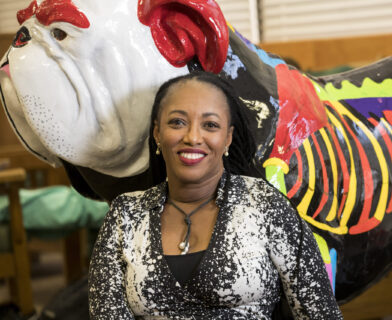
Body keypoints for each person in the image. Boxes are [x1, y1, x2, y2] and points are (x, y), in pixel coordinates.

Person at [88, 72, 343, 319]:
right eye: (177, 122)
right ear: (157, 133)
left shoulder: (264, 204)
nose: (193, 137)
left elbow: (320, 312)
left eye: (210, 125)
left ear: (228, 138)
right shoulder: (126, 214)